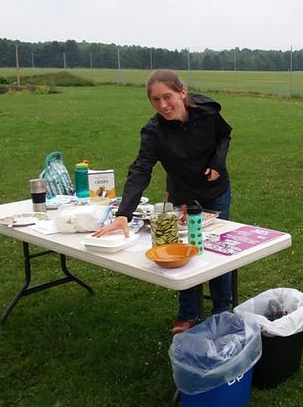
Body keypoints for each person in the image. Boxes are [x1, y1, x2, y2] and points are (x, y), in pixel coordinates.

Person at [93, 69, 233, 334]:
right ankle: (188, 313)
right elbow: (140, 170)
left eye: (167, 97)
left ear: (182, 92)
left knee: (216, 250)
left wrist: (217, 162)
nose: (163, 105)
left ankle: (222, 308)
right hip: (182, 196)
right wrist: (124, 214)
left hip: (216, 191)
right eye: (155, 100)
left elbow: (224, 134)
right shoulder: (154, 131)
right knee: (183, 252)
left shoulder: (207, 111)